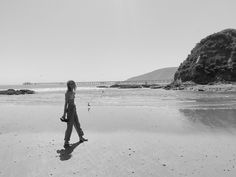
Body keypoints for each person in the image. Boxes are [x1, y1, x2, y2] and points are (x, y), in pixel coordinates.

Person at [60, 80, 87, 148]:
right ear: (68, 85)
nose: (72, 85)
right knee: (70, 126)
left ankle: (81, 137)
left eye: (73, 83)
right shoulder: (68, 93)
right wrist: (64, 114)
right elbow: (66, 103)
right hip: (70, 110)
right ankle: (66, 142)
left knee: (77, 123)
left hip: (74, 108)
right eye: (70, 84)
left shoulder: (73, 92)